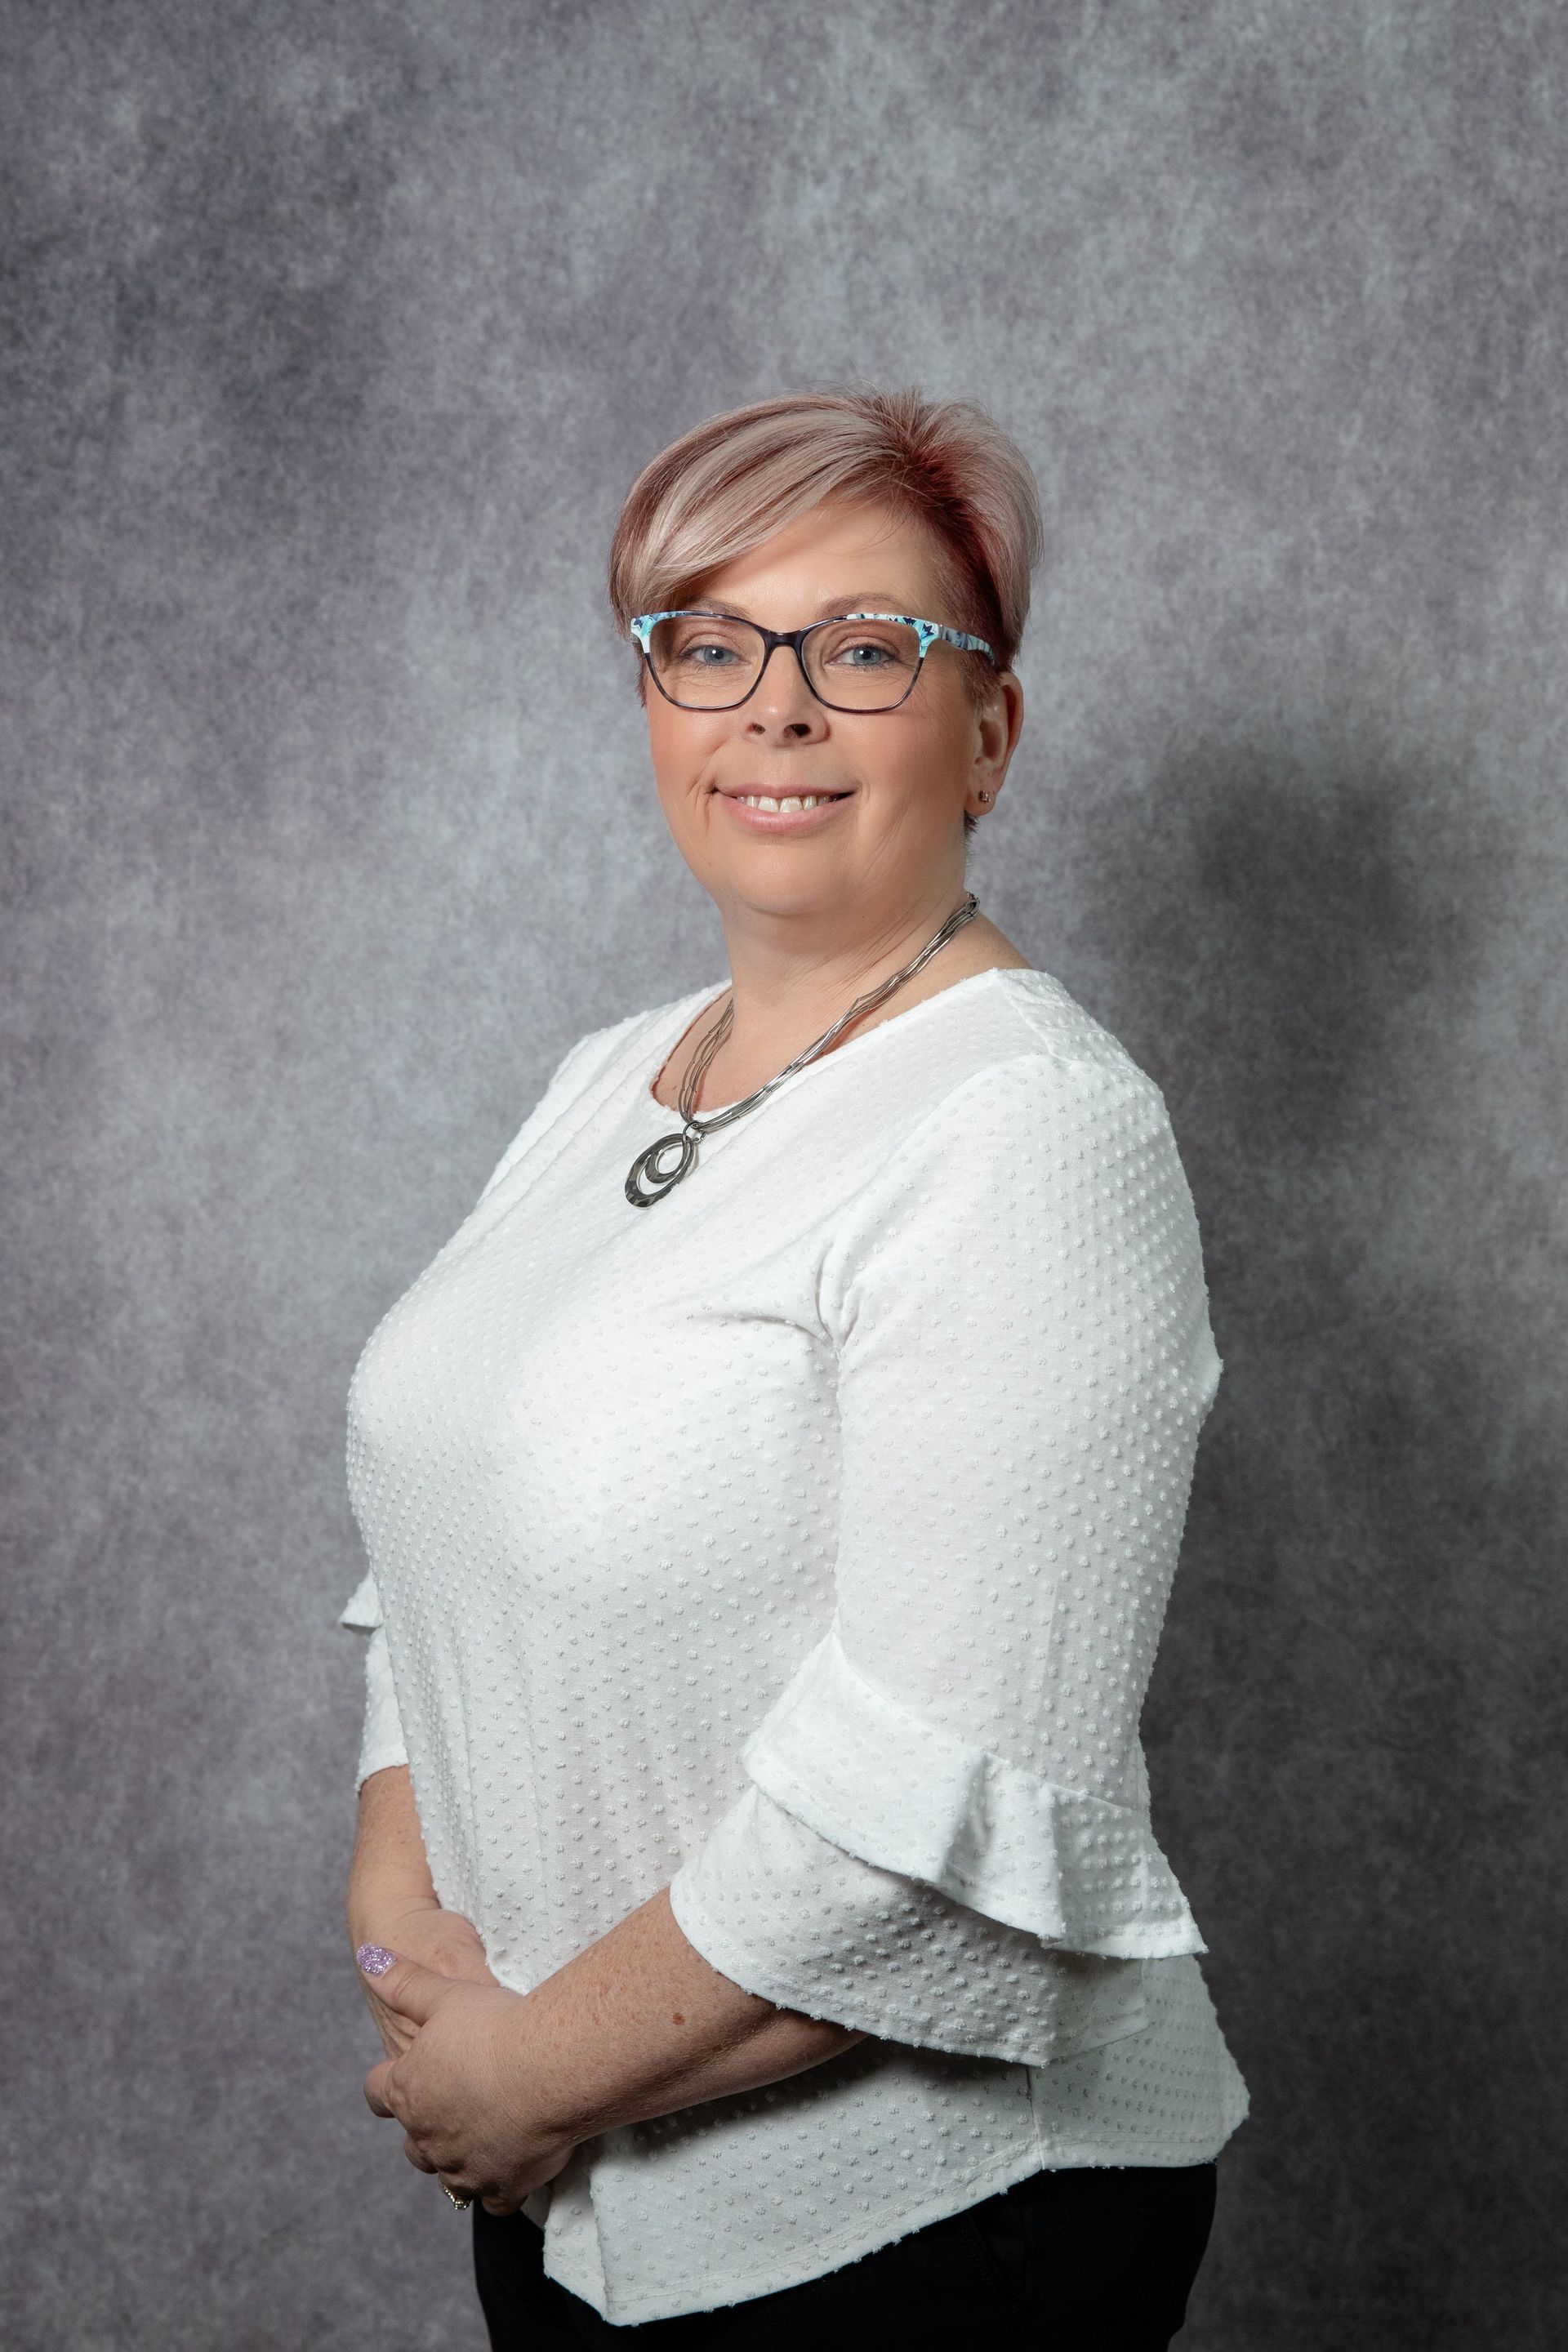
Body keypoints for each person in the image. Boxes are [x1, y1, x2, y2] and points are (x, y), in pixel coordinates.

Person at [337, 385, 1249, 2346]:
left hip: (921, 2228)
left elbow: (938, 1806)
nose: (776, 707)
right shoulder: (608, 1079)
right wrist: (420, 1958)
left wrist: (523, 2074)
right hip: (574, 2160)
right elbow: (444, 1528)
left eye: (864, 649)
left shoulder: (1031, 1132)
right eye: (708, 644)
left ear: (988, 732)